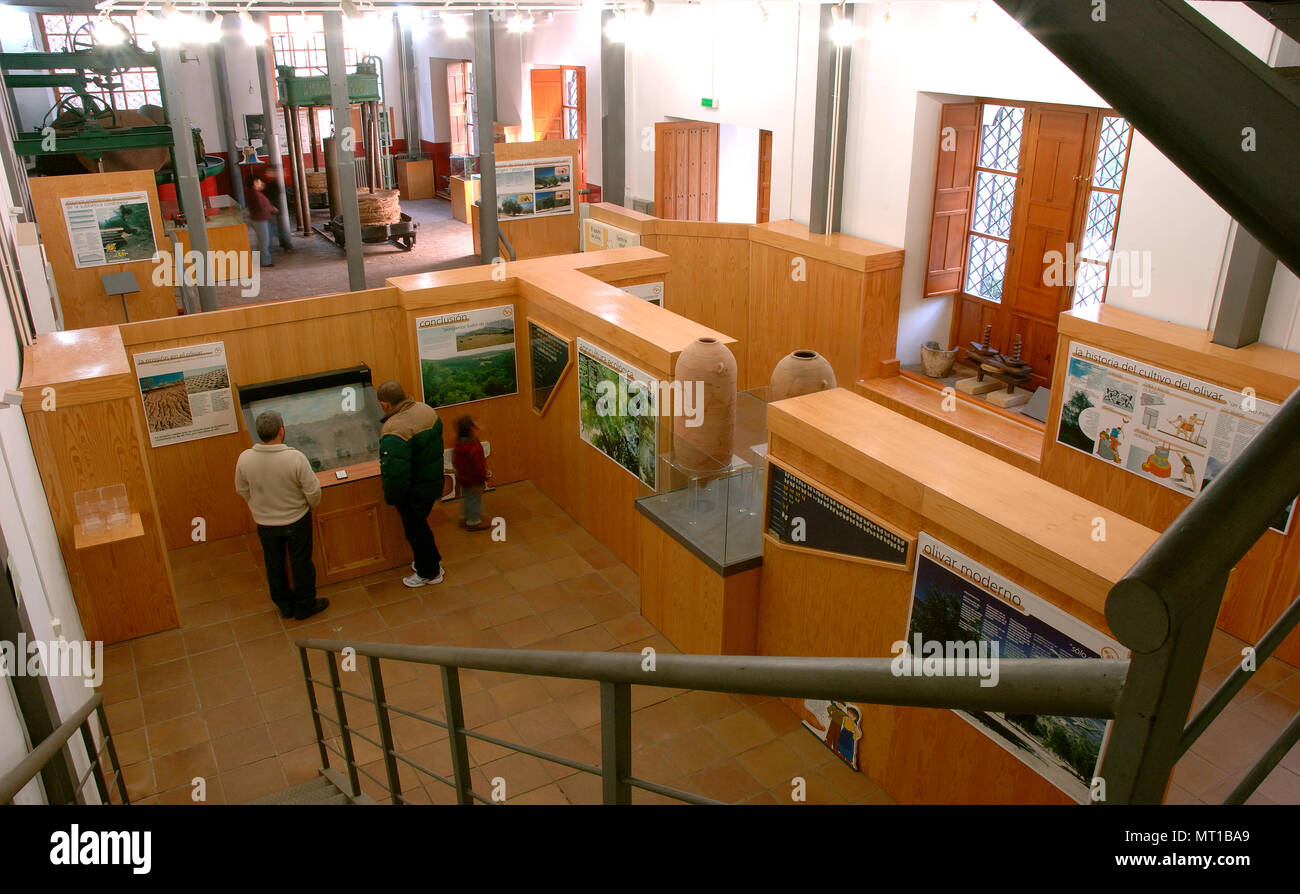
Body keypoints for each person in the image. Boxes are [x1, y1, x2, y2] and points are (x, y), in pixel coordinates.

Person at [234, 410, 329, 620]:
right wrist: (311, 506)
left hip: (265, 523)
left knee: (274, 564)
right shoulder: (295, 457)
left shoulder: (245, 458)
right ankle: (305, 604)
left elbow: (241, 488)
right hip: (296, 520)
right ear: (281, 431)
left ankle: (284, 605)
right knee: (301, 562)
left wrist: (257, 507)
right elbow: (313, 490)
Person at [377, 381, 447, 587]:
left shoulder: (394, 429)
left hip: (414, 490)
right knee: (421, 526)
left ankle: (429, 572)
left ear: (384, 405)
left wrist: (392, 497)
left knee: (416, 531)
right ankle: (429, 562)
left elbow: (396, 474)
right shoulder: (426, 410)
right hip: (432, 481)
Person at [452, 414, 491, 532]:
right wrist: (484, 477)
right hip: (475, 479)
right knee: (475, 500)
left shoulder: (458, 442)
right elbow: (479, 466)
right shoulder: (475, 447)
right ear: (471, 429)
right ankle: (474, 522)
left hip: (463, 477)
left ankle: (463, 518)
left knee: (467, 497)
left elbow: (455, 460)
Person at [258, 165, 295, 252]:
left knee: (265, 239)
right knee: (264, 240)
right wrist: (271, 208)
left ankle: (264, 259)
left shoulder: (270, 184)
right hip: (264, 215)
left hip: (266, 214)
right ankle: (260, 260)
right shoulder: (266, 186)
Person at [247, 177, 276, 268]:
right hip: (260, 220)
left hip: (260, 219)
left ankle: (258, 259)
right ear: (255, 183)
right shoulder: (255, 194)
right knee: (264, 241)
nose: (262, 183)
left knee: (262, 241)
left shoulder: (255, 193)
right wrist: (272, 208)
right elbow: (261, 207)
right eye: (260, 182)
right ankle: (266, 262)